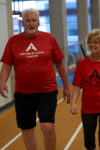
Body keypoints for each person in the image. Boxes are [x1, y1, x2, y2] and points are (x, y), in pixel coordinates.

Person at [0, 8, 71, 150]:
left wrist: (67, 87)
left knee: (47, 127)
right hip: (23, 94)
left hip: (47, 91)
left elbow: (60, 64)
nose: (31, 23)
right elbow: (7, 65)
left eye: (34, 20)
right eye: (27, 21)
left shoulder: (49, 39)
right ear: (22, 23)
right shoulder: (13, 41)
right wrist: (2, 82)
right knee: (27, 131)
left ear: (38, 22)